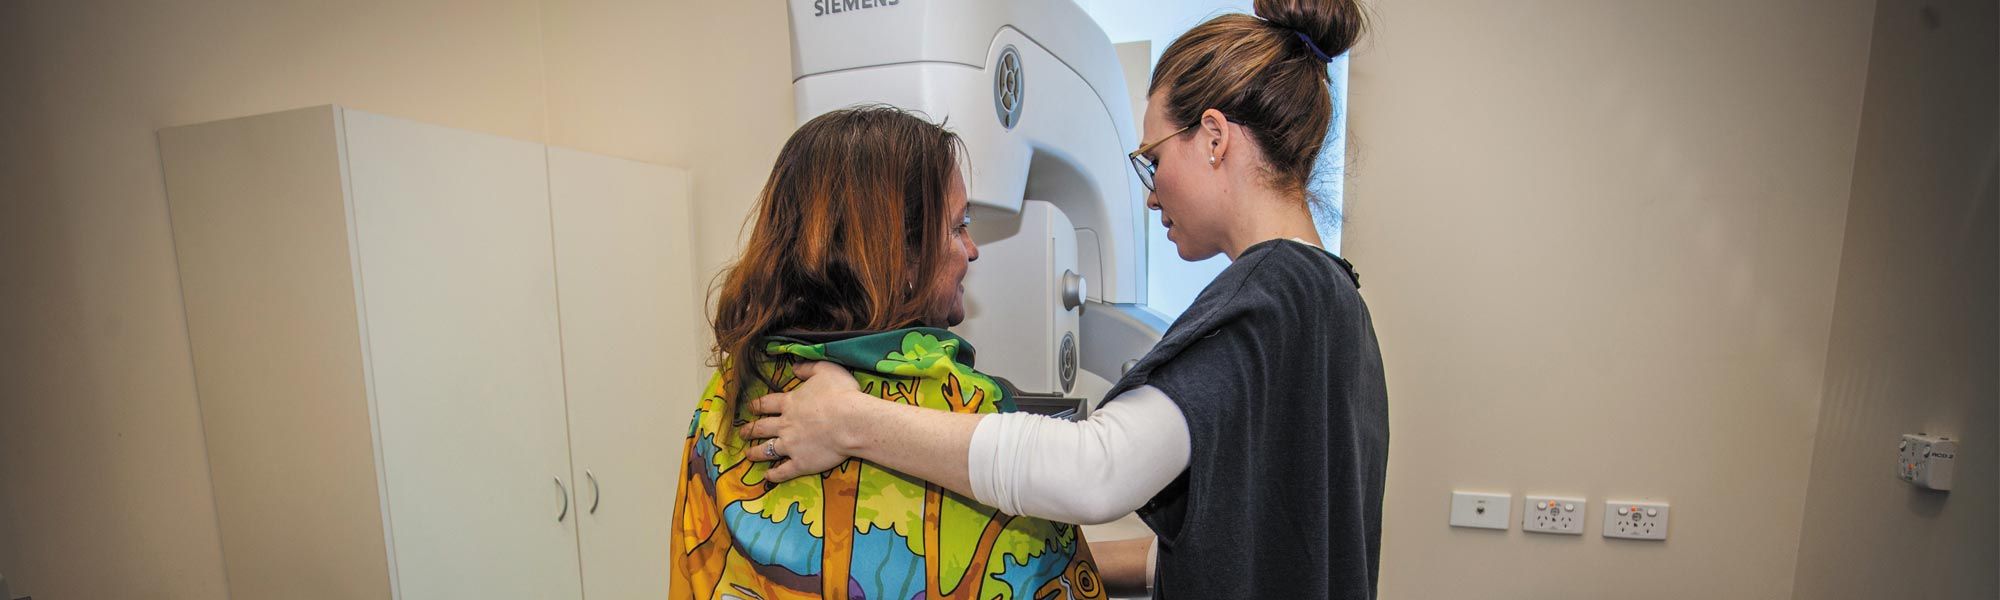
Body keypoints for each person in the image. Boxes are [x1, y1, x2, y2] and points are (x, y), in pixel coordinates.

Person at [738, 1, 1387, 598]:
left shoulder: (1269, 294)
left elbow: (1094, 469)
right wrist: (1066, 562)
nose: (1151, 194)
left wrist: (852, 421)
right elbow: (1262, 549)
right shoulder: (1338, 305)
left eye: (1152, 160)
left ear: (1214, 137)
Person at [670, 106, 1111, 600]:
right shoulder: (963, 411)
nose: (972, 249)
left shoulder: (725, 400)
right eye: (958, 226)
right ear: (900, 255)